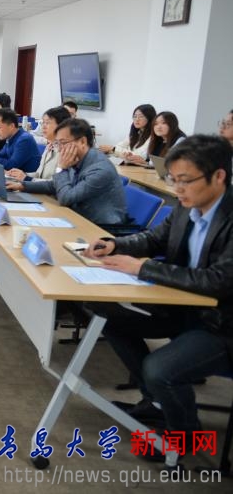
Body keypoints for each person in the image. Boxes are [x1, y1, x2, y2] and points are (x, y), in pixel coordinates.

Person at [84, 135, 233, 469]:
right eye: (173, 180)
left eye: (185, 180)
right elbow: (155, 238)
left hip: (222, 325)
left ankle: (188, 437)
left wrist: (143, 268)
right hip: (184, 306)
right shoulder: (186, 205)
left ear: (219, 176)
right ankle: (156, 403)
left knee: (159, 369)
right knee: (107, 315)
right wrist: (116, 245)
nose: (177, 189)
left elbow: (218, 282)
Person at [10, 118, 127, 226]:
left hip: (101, 228)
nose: (60, 149)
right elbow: (56, 185)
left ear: (82, 141)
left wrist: (62, 168)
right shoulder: (78, 158)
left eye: (63, 143)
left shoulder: (100, 169)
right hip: (78, 217)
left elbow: (66, 198)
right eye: (57, 143)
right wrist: (23, 186)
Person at [7, 106, 71, 182]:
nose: (43, 127)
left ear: (61, 126)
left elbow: (55, 184)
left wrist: (27, 178)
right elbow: (39, 174)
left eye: (47, 123)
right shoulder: (50, 147)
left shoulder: (67, 152)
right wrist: (22, 175)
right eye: (43, 122)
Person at [0, 108, 41, 172]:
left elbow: (11, 166)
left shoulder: (24, 140)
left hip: (25, 179)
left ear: (11, 126)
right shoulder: (11, 137)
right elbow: (0, 156)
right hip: (12, 177)